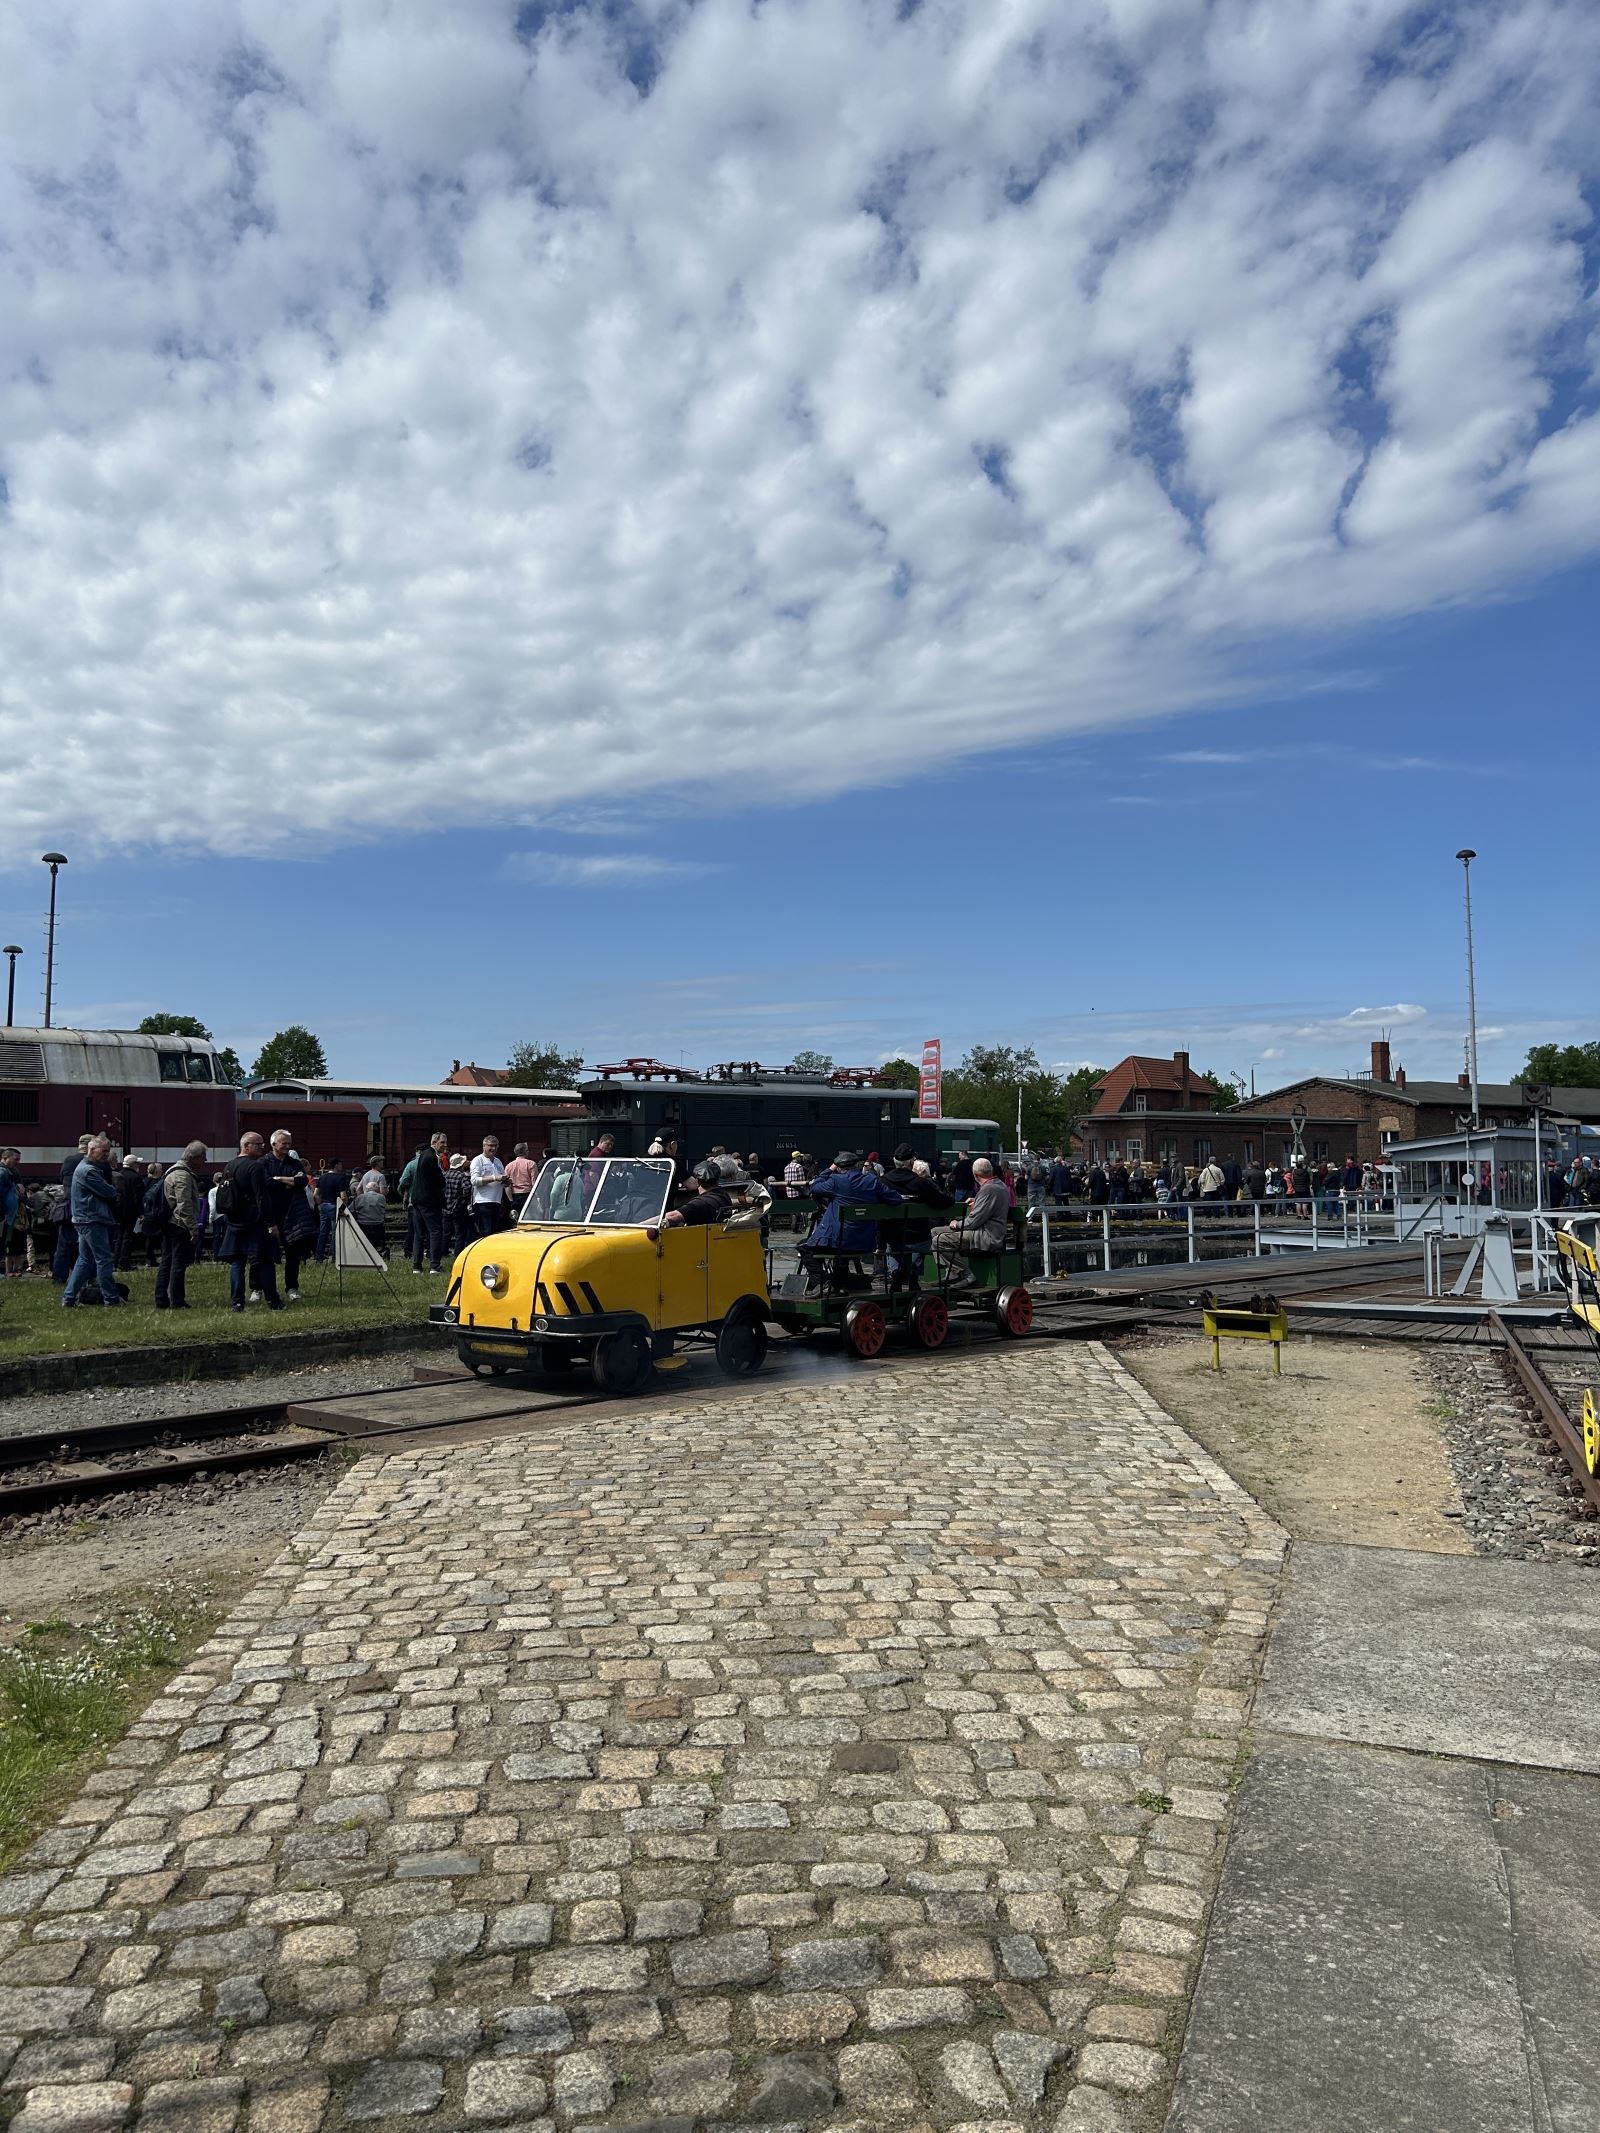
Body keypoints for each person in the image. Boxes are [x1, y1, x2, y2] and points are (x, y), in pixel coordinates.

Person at [799, 1151, 905, 1292]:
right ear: (856, 1166)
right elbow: (896, 1198)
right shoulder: (872, 1181)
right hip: (864, 1242)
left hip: (839, 1242)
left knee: (805, 1247)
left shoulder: (836, 1181)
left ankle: (823, 1284)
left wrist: (829, 1170)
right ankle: (838, 1284)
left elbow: (814, 1188)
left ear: (838, 1168)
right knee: (841, 1250)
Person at [219, 1131, 282, 1312]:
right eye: (258, 1144)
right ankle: (273, 1301)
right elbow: (262, 1197)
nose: (262, 1147)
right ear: (246, 1146)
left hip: (234, 1219)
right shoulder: (255, 1167)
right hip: (255, 1221)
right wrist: (271, 1224)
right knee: (265, 1261)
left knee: (237, 1262)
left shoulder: (230, 1166)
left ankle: (237, 1303)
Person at [62, 1136, 123, 1307]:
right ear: (92, 1149)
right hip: (92, 1219)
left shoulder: (86, 1168)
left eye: (108, 1151)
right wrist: (112, 1189)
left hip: (85, 1219)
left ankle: (69, 1297)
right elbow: (109, 1192)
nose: (107, 1154)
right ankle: (110, 1298)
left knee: (85, 1260)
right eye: (104, 1151)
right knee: (103, 1259)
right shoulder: (88, 1171)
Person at [881, 1145, 952, 1291]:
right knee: (921, 1244)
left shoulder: (883, 1182)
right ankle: (913, 1276)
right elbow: (944, 1201)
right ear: (911, 1163)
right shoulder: (920, 1183)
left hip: (893, 1235)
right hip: (918, 1235)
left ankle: (896, 1272)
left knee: (892, 1245)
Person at [931, 1157, 1010, 1286]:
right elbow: (989, 1205)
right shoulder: (999, 1185)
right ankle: (952, 1273)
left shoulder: (988, 1189)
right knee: (935, 1231)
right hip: (987, 1231)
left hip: (986, 1235)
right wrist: (977, 1200)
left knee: (939, 1240)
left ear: (975, 1174)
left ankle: (967, 1275)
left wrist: (957, 1224)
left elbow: (973, 1222)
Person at [156, 1140, 207, 1310]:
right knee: (178, 1264)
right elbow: (184, 1204)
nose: (204, 1161)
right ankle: (177, 1300)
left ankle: (161, 1297)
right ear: (194, 1157)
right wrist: (193, 1229)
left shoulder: (172, 1170)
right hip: (178, 1224)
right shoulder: (182, 1175)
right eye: (203, 1157)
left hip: (169, 1222)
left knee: (166, 1262)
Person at [267, 1130, 317, 1298]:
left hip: (293, 1214)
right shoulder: (264, 1162)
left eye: (289, 1143)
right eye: (284, 1143)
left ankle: (292, 1288)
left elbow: (302, 1181)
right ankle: (260, 1288)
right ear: (274, 1144)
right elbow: (266, 1182)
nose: (288, 1146)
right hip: (271, 1213)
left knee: (293, 1254)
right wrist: (290, 1181)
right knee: (266, 1254)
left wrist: (279, 1179)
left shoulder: (295, 1163)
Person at [410, 1131, 449, 1274]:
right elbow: (438, 1179)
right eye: (442, 1142)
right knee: (435, 1231)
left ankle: (417, 1266)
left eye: (445, 1142)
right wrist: (442, 1179)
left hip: (418, 1199)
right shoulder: (432, 1157)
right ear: (434, 1142)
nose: (445, 1145)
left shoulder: (424, 1155)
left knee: (419, 1234)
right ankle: (435, 1265)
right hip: (429, 1200)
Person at [664, 1160, 734, 1226]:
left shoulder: (699, 1204)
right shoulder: (725, 1196)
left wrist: (661, 1216)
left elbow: (671, 1217)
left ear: (697, 1181)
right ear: (718, 1180)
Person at [315, 1157, 350, 1262]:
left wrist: (320, 1205)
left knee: (323, 1232)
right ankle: (335, 1258)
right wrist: (343, 1208)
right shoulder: (340, 1178)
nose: (342, 1166)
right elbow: (343, 1196)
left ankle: (319, 1256)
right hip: (335, 1206)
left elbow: (316, 1194)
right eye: (340, 1164)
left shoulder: (322, 1177)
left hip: (324, 1206)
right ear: (336, 1165)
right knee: (336, 1233)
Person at [469, 1136, 506, 1237]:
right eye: (490, 1146)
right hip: (482, 1202)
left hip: (496, 1201)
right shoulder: (478, 1160)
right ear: (484, 1146)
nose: (493, 1148)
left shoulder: (498, 1161)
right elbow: (474, 1181)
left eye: (495, 1146)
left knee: (494, 1233)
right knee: (486, 1233)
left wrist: (505, 1181)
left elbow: (501, 1178)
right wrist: (494, 1178)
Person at [114, 1155, 145, 1271]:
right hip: (130, 1211)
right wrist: (141, 1212)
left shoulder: (119, 1174)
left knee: (119, 1236)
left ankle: (116, 1261)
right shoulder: (135, 1177)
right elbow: (137, 1197)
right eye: (137, 1163)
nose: (138, 1166)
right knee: (128, 1237)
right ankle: (124, 1263)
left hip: (119, 1211)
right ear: (132, 1165)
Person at [443, 1152, 473, 1255]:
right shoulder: (461, 1176)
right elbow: (468, 1189)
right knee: (460, 1233)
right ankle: (458, 1252)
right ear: (460, 1165)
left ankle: (443, 1252)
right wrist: (464, 1198)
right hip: (458, 1208)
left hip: (445, 1208)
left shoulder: (444, 1174)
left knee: (446, 1233)